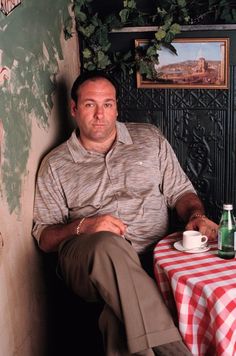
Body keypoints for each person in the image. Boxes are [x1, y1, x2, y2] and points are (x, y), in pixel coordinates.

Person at [32, 71, 218, 356]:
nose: (100, 114)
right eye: (90, 105)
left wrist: (195, 215)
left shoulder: (149, 139)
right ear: (74, 109)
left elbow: (182, 193)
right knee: (107, 244)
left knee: (115, 318)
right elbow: (45, 237)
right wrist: (85, 226)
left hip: (154, 253)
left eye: (107, 104)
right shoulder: (55, 164)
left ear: (117, 107)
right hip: (87, 261)